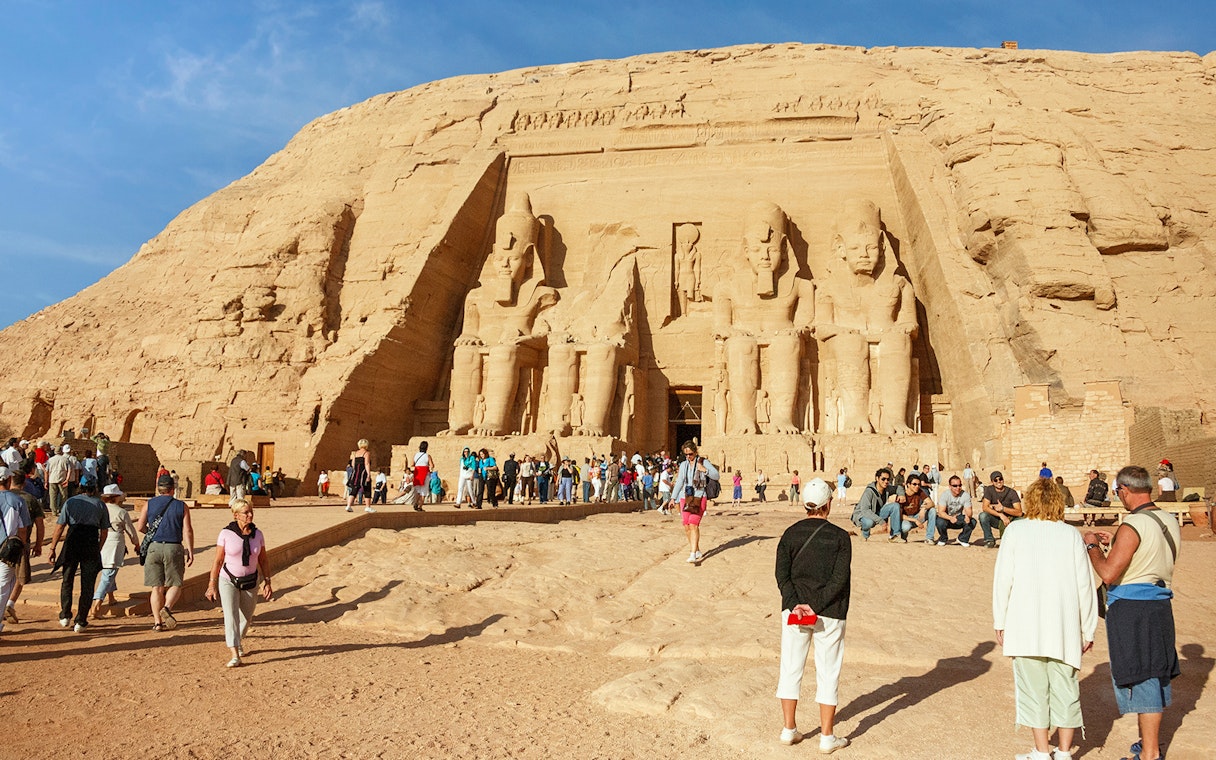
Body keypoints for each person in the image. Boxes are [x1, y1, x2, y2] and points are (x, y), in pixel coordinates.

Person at [993, 478, 1097, 760]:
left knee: (1033, 688)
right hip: (1063, 626)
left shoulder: (1015, 531)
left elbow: (1003, 579)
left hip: (1025, 623)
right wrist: (1088, 628)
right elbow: (1085, 585)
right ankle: (1063, 752)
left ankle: (1042, 751)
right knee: (1066, 687)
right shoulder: (1070, 535)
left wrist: (1000, 620)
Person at [1083, 466, 1180, 760]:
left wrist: (1091, 545)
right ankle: (1147, 744)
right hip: (1159, 605)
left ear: (1124, 490)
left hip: (1133, 610)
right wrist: (1114, 543)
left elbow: (1108, 572)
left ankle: (1149, 754)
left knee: (1142, 676)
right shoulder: (1167, 519)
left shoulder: (1133, 525)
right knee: (1155, 672)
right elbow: (1148, 556)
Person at [774, 477, 851, 753]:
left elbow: (782, 575)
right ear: (828, 504)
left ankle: (789, 729)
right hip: (829, 612)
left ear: (805, 505)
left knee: (790, 668)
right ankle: (827, 737)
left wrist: (796, 603)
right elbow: (839, 578)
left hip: (795, 612)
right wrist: (815, 605)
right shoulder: (840, 537)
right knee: (828, 671)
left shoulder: (789, 534)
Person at [204, 498, 273, 667]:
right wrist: (212, 584)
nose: (250, 515)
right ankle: (235, 653)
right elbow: (218, 561)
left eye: (251, 512)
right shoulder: (226, 534)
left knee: (246, 618)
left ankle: (238, 640)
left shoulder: (258, 534)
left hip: (251, 580)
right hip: (228, 579)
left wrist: (267, 581)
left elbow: (263, 560)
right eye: (245, 512)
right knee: (231, 616)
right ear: (236, 515)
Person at [47, 481, 107, 633]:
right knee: (88, 583)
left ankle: (65, 614)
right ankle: (81, 620)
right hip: (90, 540)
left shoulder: (71, 502)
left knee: (67, 578)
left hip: (73, 539)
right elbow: (104, 531)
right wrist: (98, 548)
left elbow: (60, 526)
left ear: (80, 487)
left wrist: (52, 547)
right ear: (95, 488)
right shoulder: (100, 504)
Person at [136, 473, 195, 631]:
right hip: (173, 546)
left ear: (158, 489)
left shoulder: (149, 504)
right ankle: (167, 608)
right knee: (175, 583)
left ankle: (157, 623)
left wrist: (152, 533)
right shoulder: (181, 506)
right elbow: (188, 530)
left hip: (154, 547)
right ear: (172, 489)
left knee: (156, 587)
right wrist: (190, 550)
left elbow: (140, 526)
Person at [90, 484, 140, 619]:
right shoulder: (121, 512)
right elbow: (131, 531)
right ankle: (96, 605)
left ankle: (111, 597)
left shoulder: (98, 509)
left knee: (108, 569)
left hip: (100, 540)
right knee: (109, 572)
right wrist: (136, 544)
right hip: (114, 542)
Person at [667, 440, 720, 563]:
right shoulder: (683, 465)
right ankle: (696, 549)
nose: (688, 457)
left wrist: (705, 470)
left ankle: (692, 554)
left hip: (699, 497)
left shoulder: (703, 462)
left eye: (690, 454)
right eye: (686, 454)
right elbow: (680, 482)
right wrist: (673, 498)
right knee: (687, 526)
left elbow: (716, 475)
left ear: (695, 452)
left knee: (693, 524)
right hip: (685, 497)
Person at [0, 469, 29, 635]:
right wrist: (22, 548)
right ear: (9, 479)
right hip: (8, 549)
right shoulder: (17, 501)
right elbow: (22, 529)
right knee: (4, 587)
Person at [850, 468, 900, 540]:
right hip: (863, 515)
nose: (886, 481)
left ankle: (895, 535)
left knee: (895, 506)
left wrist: (901, 495)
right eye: (883, 479)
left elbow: (899, 488)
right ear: (877, 478)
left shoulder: (887, 489)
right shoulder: (869, 492)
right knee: (869, 522)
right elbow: (865, 511)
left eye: (888, 479)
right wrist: (881, 521)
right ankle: (865, 533)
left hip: (877, 513)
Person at [978, 471, 1023, 549]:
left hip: (1010, 519)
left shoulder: (1011, 492)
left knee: (1023, 520)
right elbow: (985, 507)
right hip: (997, 519)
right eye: (995, 480)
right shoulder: (989, 490)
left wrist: (1003, 509)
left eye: (1000, 479)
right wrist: (1000, 515)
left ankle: (1019, 541)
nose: (998, 481)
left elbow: (1019, 512)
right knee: (983, 516)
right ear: (992, 482)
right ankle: (990, 540)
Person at [935, 475, 976, 547]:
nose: (958, 488)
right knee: (939, 521)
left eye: (960, 485)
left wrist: (968, 516)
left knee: (972, 521)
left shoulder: (965, 495)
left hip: (958, 519)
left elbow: (969, 510)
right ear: (950, 486)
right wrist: (950, 518)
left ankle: (962, 539)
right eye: (955, 486)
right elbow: (941, 512)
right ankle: (943, 538)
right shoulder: (945, 495)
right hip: (947, 519)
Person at [894, 472, 936, 543]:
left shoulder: (919, 491)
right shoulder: (902, 495)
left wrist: (924, 508)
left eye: (918, 484)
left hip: (917, 516)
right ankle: (903, 536)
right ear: (908, 484)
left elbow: (931, 503)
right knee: (905, 527)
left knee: (932, 510)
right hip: (906, 519)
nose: (917, 486)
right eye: (914, 484)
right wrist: (915, 520)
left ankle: (929, 538)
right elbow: (899, 515)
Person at [345, 439, 375, 513]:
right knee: (367, 489)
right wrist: (368, 474)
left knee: (354, 489)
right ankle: (368, 507)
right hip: (363, 473)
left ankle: (348, 505)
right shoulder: (366, 453)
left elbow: (353, 464)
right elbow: (367, 464)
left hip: (356, 473)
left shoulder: (355, 453)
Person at [410, 441, 434, 512]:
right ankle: (420, 506)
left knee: (418, 491)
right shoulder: (427, 456)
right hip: (425, 474)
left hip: (417, 474)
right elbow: (432, 465)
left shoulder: (415, 455)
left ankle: (415, 503)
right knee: (424, 492)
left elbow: (411, 465)